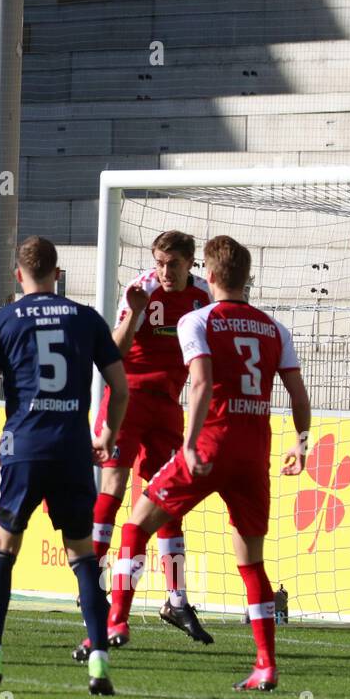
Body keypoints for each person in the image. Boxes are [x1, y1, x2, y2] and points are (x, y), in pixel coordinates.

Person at [107, 236, 311, 691]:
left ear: (211, 276)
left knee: (136, 525)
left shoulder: (198, 319)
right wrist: (301, 443)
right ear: (247, 278)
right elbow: (298, 394)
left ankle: (116, 622)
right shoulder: (276, 329)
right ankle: (265, 666)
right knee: (252, 564)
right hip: (255, 454)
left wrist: (192, 442)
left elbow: (199, 384)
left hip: (211, 445)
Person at [0, 236, 128, 695]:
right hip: (73, 448)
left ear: (18, 275)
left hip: (25, 448)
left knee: (3, 549)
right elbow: (121, 386)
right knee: (82, 555)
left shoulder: (0, 321)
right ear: (57, 273)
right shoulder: (85, 318)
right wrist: (108, 435)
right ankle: (98, 662)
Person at [76, 230, 213, 662]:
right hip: (127, 398)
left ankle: (176, 599)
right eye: (159, 262)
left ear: (191, 263)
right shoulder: (142, 290)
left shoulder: (202, 295)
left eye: (172, 264)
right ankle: (92, 586)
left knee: (167, 502)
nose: (164, 271)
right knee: (113, 487)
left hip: (168, 407)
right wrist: (133, 316)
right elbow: (110, 353)